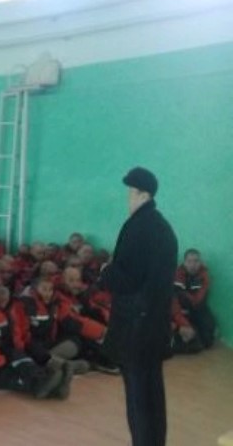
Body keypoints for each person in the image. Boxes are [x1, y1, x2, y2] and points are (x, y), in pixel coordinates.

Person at [100, 167, 177, 446]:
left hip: (135, 327)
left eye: (131, 193)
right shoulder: (163, 227)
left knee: (138, 399)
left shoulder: (137, 227)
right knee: (152, 396)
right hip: (154, 324)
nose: (128, 199)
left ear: (142, 194)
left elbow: (127, 279)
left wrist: (106, 271)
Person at [173, 248, 215, 348]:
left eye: (196, 261)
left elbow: (200, 299)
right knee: (194, 344)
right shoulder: (177, 275)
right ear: (184, 263)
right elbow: (174, 303)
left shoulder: (204, 276)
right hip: (179, 311)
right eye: (189, 261)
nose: (193, 264)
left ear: (200, 263)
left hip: (196, 309)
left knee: (208, 340)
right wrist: (183, 324)